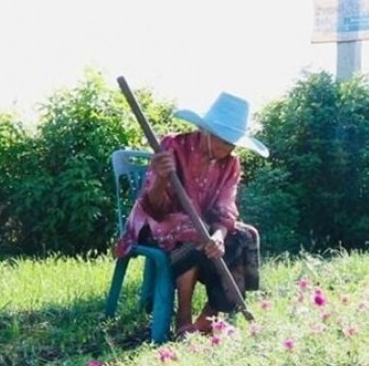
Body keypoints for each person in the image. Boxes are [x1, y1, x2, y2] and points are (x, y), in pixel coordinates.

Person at [114, 92, 268, 338]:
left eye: (232, 143)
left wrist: (219, 235)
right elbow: (154, 206)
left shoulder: (231, 163)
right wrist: (161, 178)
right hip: (156, 224)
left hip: (203, 226)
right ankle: (182, 318)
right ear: (207, 131)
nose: (227, 148)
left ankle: (209, 317)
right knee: (193, 229)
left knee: (246, 236)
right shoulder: (172, 146)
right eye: (223, 141)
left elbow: (225, 208)